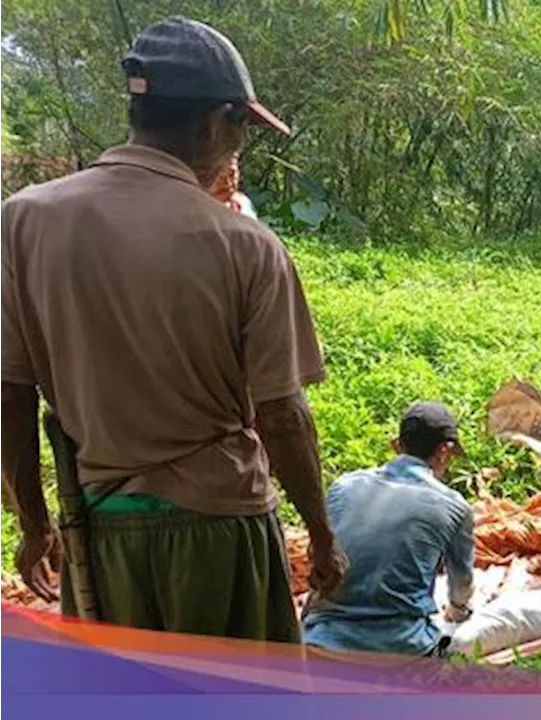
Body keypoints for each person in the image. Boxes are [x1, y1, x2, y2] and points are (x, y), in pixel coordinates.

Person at [0, 17, 344, 642]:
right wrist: (321, 537)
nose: (239, 145)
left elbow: (8, 395)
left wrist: (34, 524)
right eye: (242, 126)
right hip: (221, 529)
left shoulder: (21, 222)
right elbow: (283, 415)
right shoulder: (245, 244)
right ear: (214, 123)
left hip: (98, 532)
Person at [302, 402, 474, 657]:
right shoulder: (454, 505)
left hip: (320, 642)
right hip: (402, 650)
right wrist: (457, 611)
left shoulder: (343, 486)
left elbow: (317, 556)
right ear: (444, 450)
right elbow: (461, 585)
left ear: (397, 444)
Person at [208, 153, 258, 219]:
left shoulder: (244, 203)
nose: (228, 183)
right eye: (221, 178)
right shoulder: (194, 208)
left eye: (231, 175)